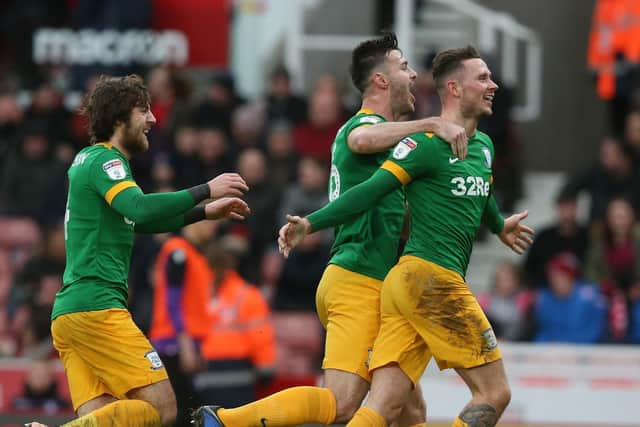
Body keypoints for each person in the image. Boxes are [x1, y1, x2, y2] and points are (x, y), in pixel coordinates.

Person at [193, 31, 468, 427]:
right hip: (358, 281)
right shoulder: (365, 127)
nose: (413, 75)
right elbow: (361, 138)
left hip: (369, 282)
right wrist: (433, 124)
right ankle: (225, 421)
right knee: (341, 404)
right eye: (404, 67)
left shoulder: (387, 145)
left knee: (408, 409)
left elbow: (385, 205)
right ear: (381, 80)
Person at [276, 46, 534, 427]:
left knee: (396, 410)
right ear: (455, 88)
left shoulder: (483, 145)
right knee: (495, 393)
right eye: (482, 77)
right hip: (419, 277)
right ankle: (227, 419)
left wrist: (498, 224)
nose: (493, 84)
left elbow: (480, 188)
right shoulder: (418, 142)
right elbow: (369, 188)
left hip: (396, 284)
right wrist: (311, 223)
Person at [29, 74, 250, 427]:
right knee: (162, 408)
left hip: (72, 313)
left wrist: (203, 212)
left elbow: (138, 222)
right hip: (98, 308)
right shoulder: (106, 162)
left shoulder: (89, 162)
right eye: (144, 110)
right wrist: (208, 188)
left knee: (104, 420)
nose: (153, 119)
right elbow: (141, 209)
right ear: (119, 118)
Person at [149, 219, 221, 426]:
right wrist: (185, 342)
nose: (213, 228)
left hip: (190, 342)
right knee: (181, 410)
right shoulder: (178, 252)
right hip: (175, 342)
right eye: (209, 222)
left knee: (192, 409)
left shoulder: (195, 254)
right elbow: (173, 301)